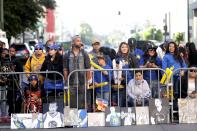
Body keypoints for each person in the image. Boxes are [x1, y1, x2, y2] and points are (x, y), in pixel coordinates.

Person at [63, 35, 91, 109]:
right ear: (73, 42)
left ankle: (82, 119)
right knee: (72, 104)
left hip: (82, 82)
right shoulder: (67, 54)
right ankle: (73, 119)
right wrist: (66, 80)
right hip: (71, 83)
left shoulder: (84, 53)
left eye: (80, 40)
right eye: (78, 41)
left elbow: (88, 67)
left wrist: (88, 81)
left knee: (83, 103)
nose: (80, 42)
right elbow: (65, 68)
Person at [112, 42, 138, 107]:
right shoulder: (117, 57)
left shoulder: (131, 56)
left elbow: (137, 68)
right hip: (121, 83)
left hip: (131, 81)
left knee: (132, 99)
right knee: (121, 100)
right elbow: (115, 70)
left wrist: (136, 78)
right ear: (120, 48)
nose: (124, 48)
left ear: (128, 48)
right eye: (122, 47)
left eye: (126, 47)